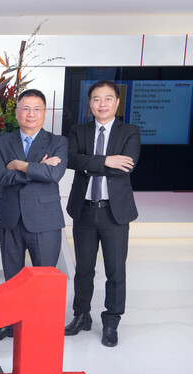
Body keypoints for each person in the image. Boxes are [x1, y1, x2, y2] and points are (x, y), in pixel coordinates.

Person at [0, 88, 68, 342]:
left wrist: (20, 165)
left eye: (37, 109)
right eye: (26, 108)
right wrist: (38, 168)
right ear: (17, 112)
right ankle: (10, 323)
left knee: (45, 276)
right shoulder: (2, 142)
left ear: (45, 112)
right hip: (10, 216)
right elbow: (1, 177)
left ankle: (42, 327)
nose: (31, 114)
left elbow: (54, 175)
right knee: (12, 276)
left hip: (44, 218)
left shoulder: (58, 142)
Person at [64, 80, 140, 347]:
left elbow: (126, 166)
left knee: (115, 271)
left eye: (108, 98)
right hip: (84, 210)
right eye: (96, 99)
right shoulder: (79, 130)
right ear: (90, 104)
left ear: (117, 102)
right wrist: (107, 160)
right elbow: (71, 159)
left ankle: (111, 322)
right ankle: (81, 315)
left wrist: (90, 163)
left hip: (114, 213)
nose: (102, 104)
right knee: (83, 269)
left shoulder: (130, 132)